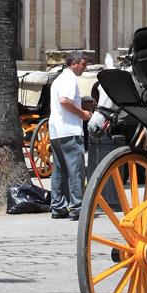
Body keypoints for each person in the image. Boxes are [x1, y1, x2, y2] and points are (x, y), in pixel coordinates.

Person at [46, 54, 92, 220]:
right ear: (74, 63)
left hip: (56, 131)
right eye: (83, 64)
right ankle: (77, 207)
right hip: (70, 130)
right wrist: (83, 114)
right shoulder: (70, 79)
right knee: (76, 170)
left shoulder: (58, 79)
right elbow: (64, 100)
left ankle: (58, 206)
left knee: (59, 170)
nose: (85, 68)